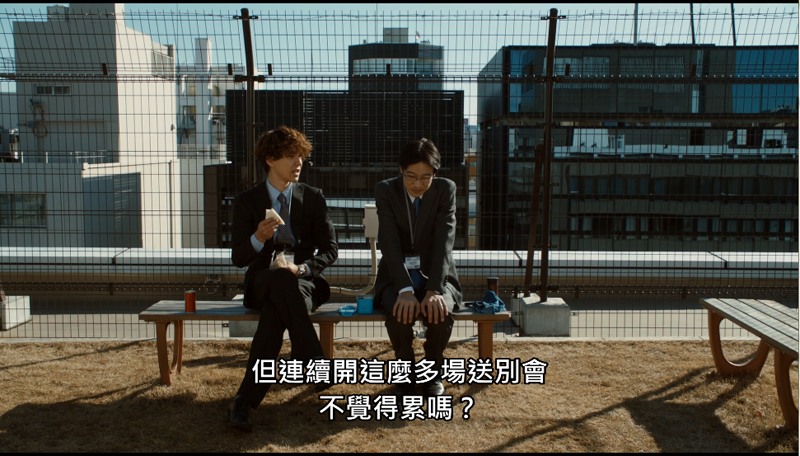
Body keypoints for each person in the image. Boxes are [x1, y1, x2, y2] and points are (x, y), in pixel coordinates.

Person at [227, 125, 338, 432]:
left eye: (301, 156)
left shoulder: (312, 198)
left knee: (279, 302)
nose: (298, 162)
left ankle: (245, 401)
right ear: (270, 159)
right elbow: (238, 257)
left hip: (303, 282)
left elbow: (330, 249)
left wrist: (302, 269)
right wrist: (258, 238)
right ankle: (314, 362)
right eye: (290, 156)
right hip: (263, 281)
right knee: (279, 282)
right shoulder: (247, 201)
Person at [373, 137, 462, 397]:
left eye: (426, 177)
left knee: (441, 313)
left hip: (437, 275)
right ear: (401, 170)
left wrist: (434, 289)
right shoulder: (386, 190)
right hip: (396, 274)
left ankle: (432, 371)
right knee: (399, 312)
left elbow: (445, 241)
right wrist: (404, 289)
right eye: (411, 176)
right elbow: (388, 243)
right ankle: (405, 370)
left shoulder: (445, 189)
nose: (417, 184)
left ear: (436, 173)